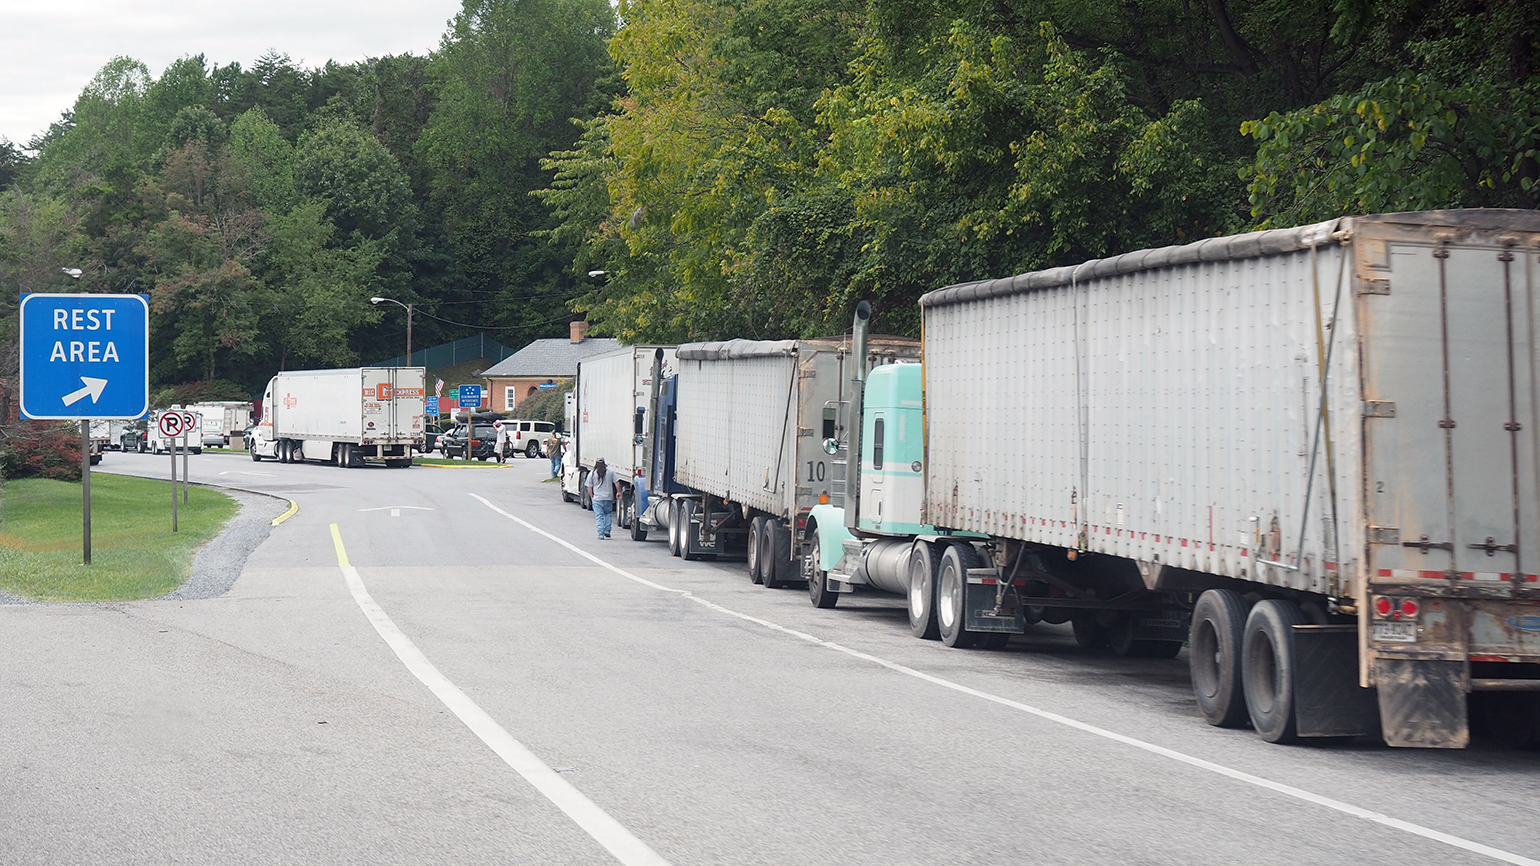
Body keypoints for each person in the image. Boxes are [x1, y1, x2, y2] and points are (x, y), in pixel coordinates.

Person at [586, 457, 620, 539]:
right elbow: (617, 482)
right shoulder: (610, 471)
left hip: (597, 498)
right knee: (608, 514)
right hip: (608, 497)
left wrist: (592, 496)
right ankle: (607, 530)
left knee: (599, 516)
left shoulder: (592, 473)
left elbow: (589, 487)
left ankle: (601, 534)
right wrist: (618, 492)